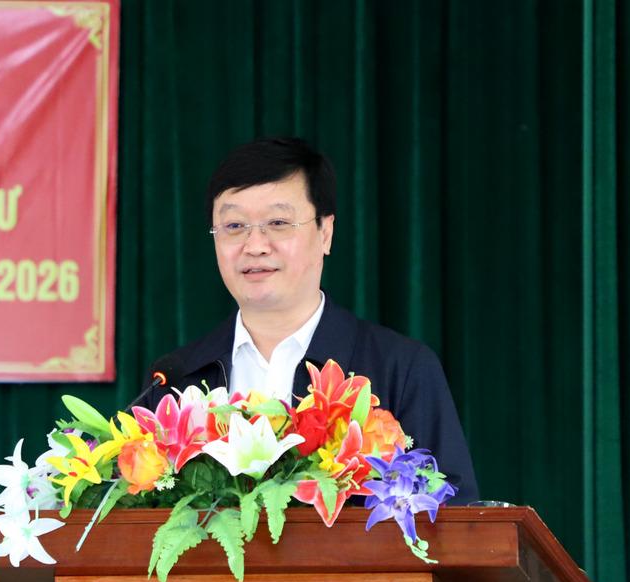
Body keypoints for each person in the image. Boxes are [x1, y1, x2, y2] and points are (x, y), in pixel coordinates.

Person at [138, 137, 479, 504]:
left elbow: (450, 514)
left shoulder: (401, 369)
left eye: (278, 222)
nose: (255, 245)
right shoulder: (174, 381)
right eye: (234, 226)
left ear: (325, 233)